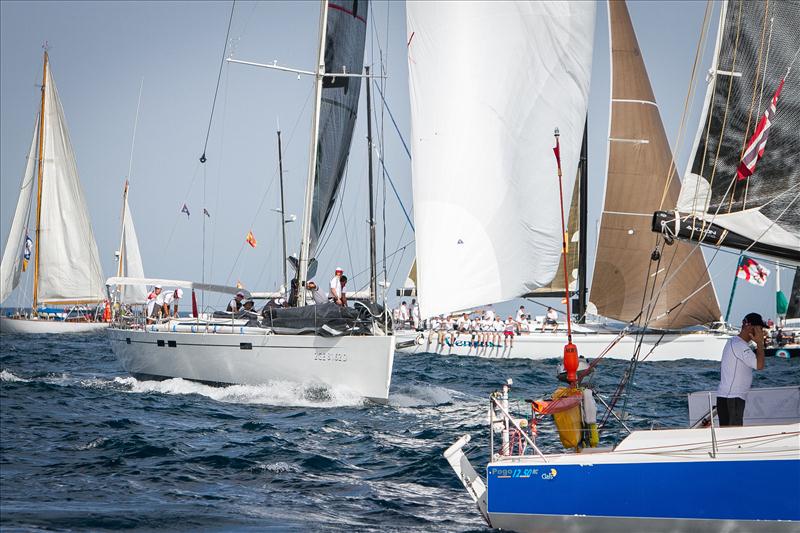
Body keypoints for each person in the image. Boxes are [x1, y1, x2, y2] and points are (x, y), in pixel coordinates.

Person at [716, 312, 766, 427]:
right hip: (732, 399)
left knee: (731, 437)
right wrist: (759, 343)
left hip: (730, 398)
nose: (762, 332)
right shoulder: (739, 345)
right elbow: (759, 365)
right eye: (760, 328)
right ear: (750, 327)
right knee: (733, 438)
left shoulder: (736, 343)